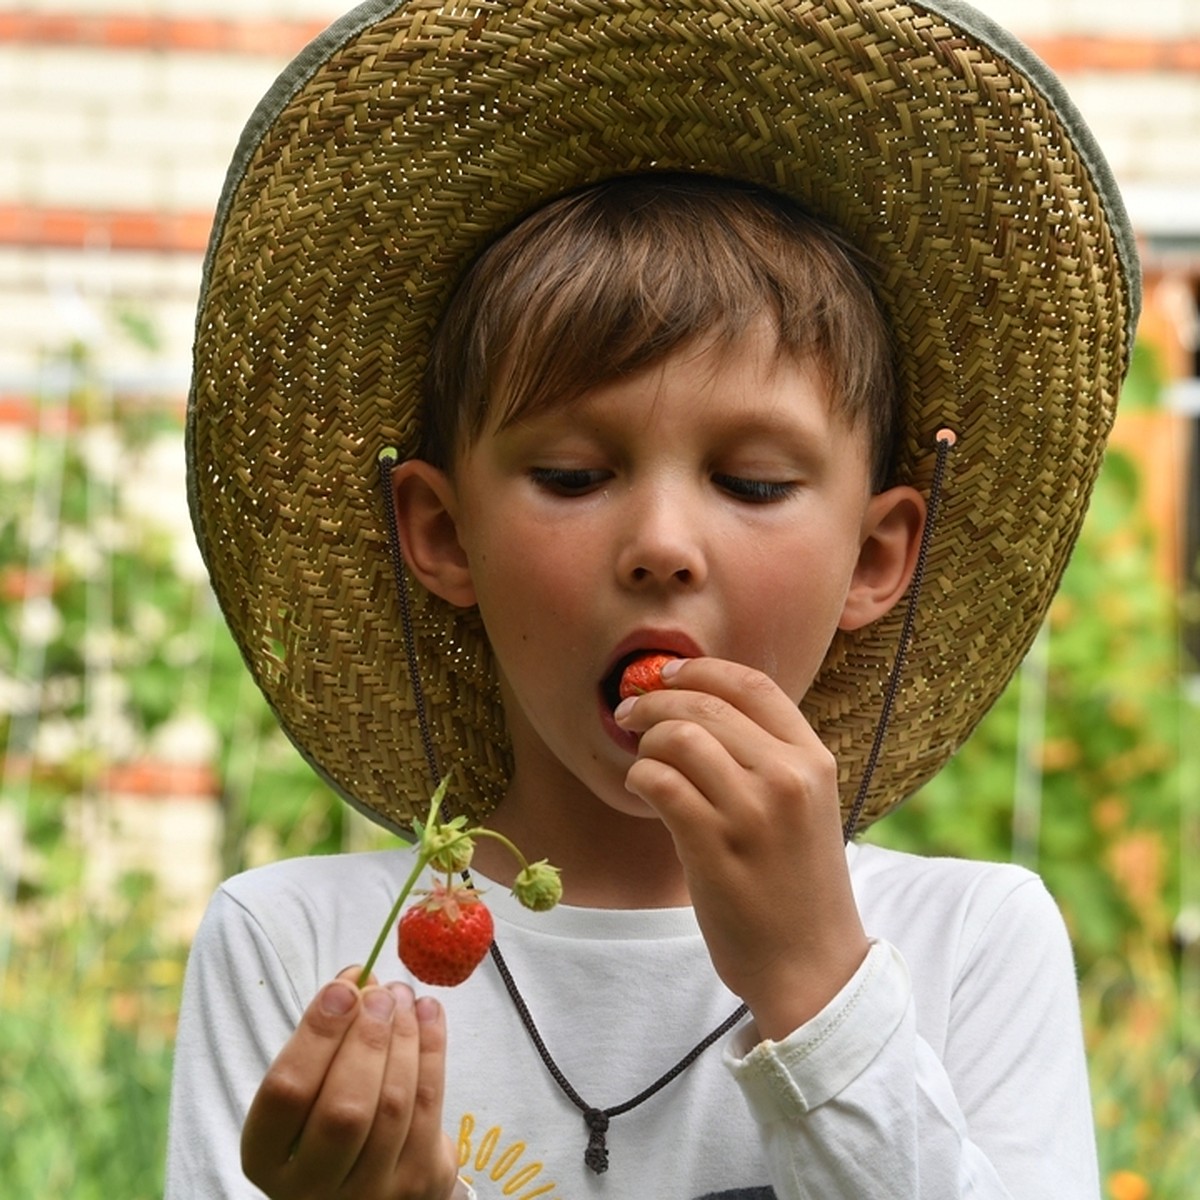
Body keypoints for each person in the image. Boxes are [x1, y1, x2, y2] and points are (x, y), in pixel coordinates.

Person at [167, 1, 1140, 1197]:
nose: (664, 544)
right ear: (439, 530)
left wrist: (819, 987)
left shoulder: (968, 947)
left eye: (753, 481)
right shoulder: (307, 960)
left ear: (879, 557)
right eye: (574, 476)